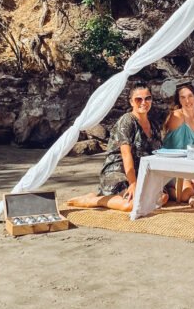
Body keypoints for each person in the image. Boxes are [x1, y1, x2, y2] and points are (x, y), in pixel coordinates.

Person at [66, 82, 165, 212]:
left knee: (162, 198)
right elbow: (126, 155)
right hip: (120, 171)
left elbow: (157, 154)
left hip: (141, 172)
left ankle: (107, 196)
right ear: (131, 102)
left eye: (147, 98)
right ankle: (93, 200)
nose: (144, 102)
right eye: (138, 99)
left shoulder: (154, 125)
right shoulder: (127, 121)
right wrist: (133, 183)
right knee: (131, 205)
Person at [161, 82, 194, 202]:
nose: (187, 101)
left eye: (190, 96)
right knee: (187, 194)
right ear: (179, 100)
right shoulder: (177, 116)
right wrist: (189, 176)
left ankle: (179, 188)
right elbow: (173, 151)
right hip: (175, 167)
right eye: (183, 97)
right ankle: (166, 190)